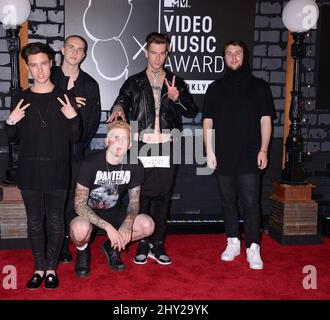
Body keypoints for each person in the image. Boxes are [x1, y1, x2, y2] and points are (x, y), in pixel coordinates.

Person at [108, 32, 198, 265]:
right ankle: (142, 243)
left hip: (168, 145)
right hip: (141, 146)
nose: (157, 58)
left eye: (162, 53)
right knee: (140, 196)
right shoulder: (134, 81)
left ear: (166, 54)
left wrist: (177, 98)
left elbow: (191, 111)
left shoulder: (176, 81)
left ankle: (158, 244)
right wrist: (118, 107)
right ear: (146, 53)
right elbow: (123, 98)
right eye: (153, 53)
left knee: (164, 198)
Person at [4, 42, 81, 289]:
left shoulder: (64, 96)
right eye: (34, 65)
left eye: (44, 64)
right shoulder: (21, 97)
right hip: (30, 171)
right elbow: (12, 136)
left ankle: (51, 268)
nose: (39, 71)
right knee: (34, 221)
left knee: (56, 221)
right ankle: (39, 267)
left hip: (58, 170)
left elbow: (75, 137)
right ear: (28, 68)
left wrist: (74, 119)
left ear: (51, 64)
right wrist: (10, 122)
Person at [203, 40, 275, 270]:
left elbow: (266, 120)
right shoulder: (215, 88)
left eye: (238, 53)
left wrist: (263, 149)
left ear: (245, 56)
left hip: (250, 155)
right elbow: (207, 123)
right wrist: (209, 151)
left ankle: (253, 247)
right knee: (227, 201)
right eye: (229, 53)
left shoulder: (260, 87)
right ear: (224, 58)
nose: (233, 57)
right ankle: (232, 241)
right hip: (222, 154)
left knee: (251, 202)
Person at [70, 120, 154, 276]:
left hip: (113, 210)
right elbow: (79, 205)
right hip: (87, 211)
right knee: (80, 230)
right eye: (115, 137)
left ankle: (112, 246)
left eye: (124, 139)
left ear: (130, 145)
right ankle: (82, 251)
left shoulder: (134, 165)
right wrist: (108, 227)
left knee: (147, 225)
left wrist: (127, 225)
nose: (119, 143)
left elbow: (134, 202)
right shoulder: (90, 163)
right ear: (106, 140)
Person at [51, 35, 101, 263]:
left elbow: (91, 124)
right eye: (70, 47)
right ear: (62, 50)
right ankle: (56, 245)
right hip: (49, 153)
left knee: (72, 201)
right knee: (52, 202)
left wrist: (76, 139)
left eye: (80, 49)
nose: (74, 52)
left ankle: (74, 244)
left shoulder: (90, 85)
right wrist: (69, 100)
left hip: (75, 155)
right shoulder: (48, 77)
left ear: (84, 55)